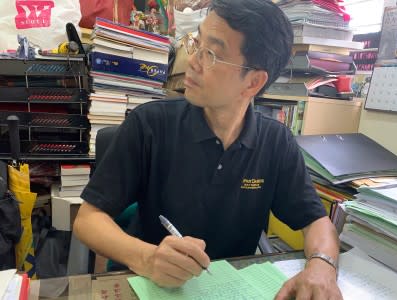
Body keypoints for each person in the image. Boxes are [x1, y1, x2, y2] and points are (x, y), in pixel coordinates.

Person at [74, 0, 342, 299]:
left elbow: (315, 220)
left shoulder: (275, 142)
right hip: (153, 286)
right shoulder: (150, 124)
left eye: (211, 54)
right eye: (196, 43)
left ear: (253, 82)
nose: (192, 61)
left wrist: (322, 265)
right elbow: (88, 220)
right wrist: (146, 257)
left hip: (230, 290)